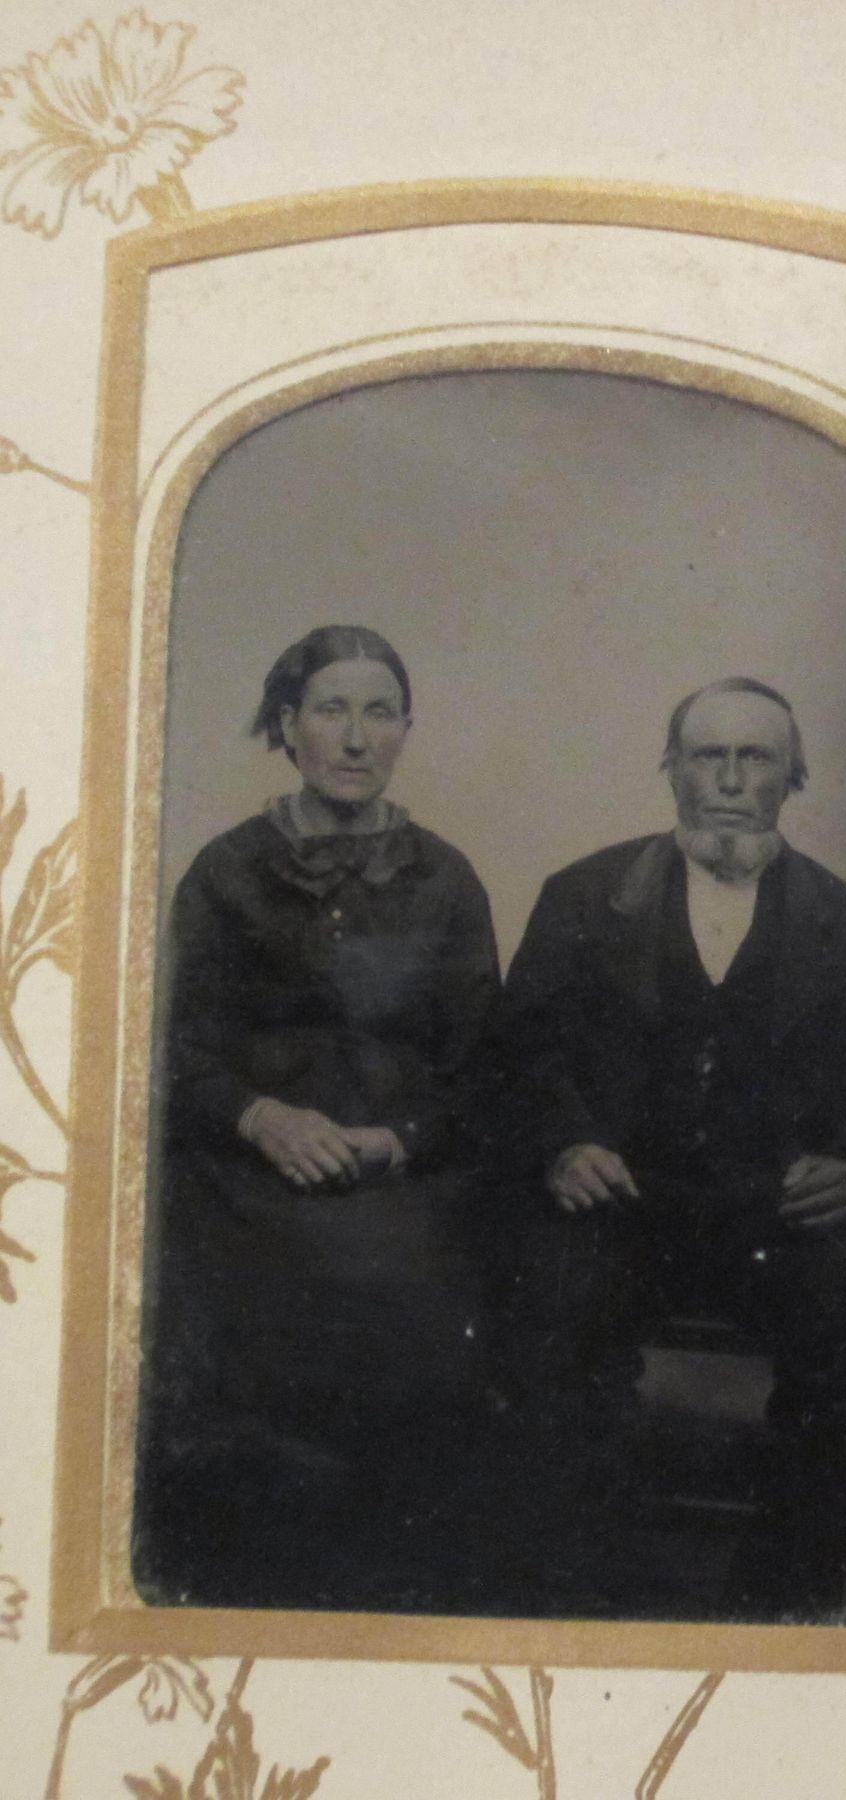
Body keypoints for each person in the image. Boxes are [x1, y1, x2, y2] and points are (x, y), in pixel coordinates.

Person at [494, 676, 846, 1621]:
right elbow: (518, 1058)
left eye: (753, 759)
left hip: (773, 1219)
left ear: (791, 777)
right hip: (622, 1204)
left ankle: (788, 1601)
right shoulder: (582, 898)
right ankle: (582, 1591)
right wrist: (564, 1144)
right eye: (705, 756)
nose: (727, 780)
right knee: (549, 1309)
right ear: (671, 770)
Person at [136, 625, 504, 1610]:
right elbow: (177, 1051)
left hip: (400, 1182)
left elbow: (483, 1072)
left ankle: (387, 1600)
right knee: (239, 1343)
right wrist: (259, 1117)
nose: (354, 737)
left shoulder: (447, 880)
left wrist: (400, 1140)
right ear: (287, 725)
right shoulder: (224, 873)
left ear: (406, 730)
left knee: (414, 1319)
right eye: (331, 710)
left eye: (379, 713)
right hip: (246, 1180)